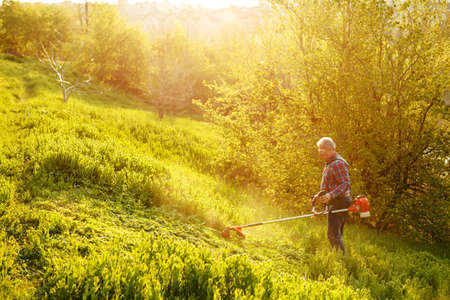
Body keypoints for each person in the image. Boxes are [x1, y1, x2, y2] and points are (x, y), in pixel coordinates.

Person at [312, 137, 352, 254]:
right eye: (319, 152)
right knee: (336, 234)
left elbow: (345, 183)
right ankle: (340, 257)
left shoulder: (338, 163)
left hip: (340, 201)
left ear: (330, 149)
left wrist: (330, 195)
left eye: (322, 152)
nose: (321, 155)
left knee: (333, 234)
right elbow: (329, 184)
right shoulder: (330, 163)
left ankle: (341, 260)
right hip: (336, 201)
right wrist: (319, 195)